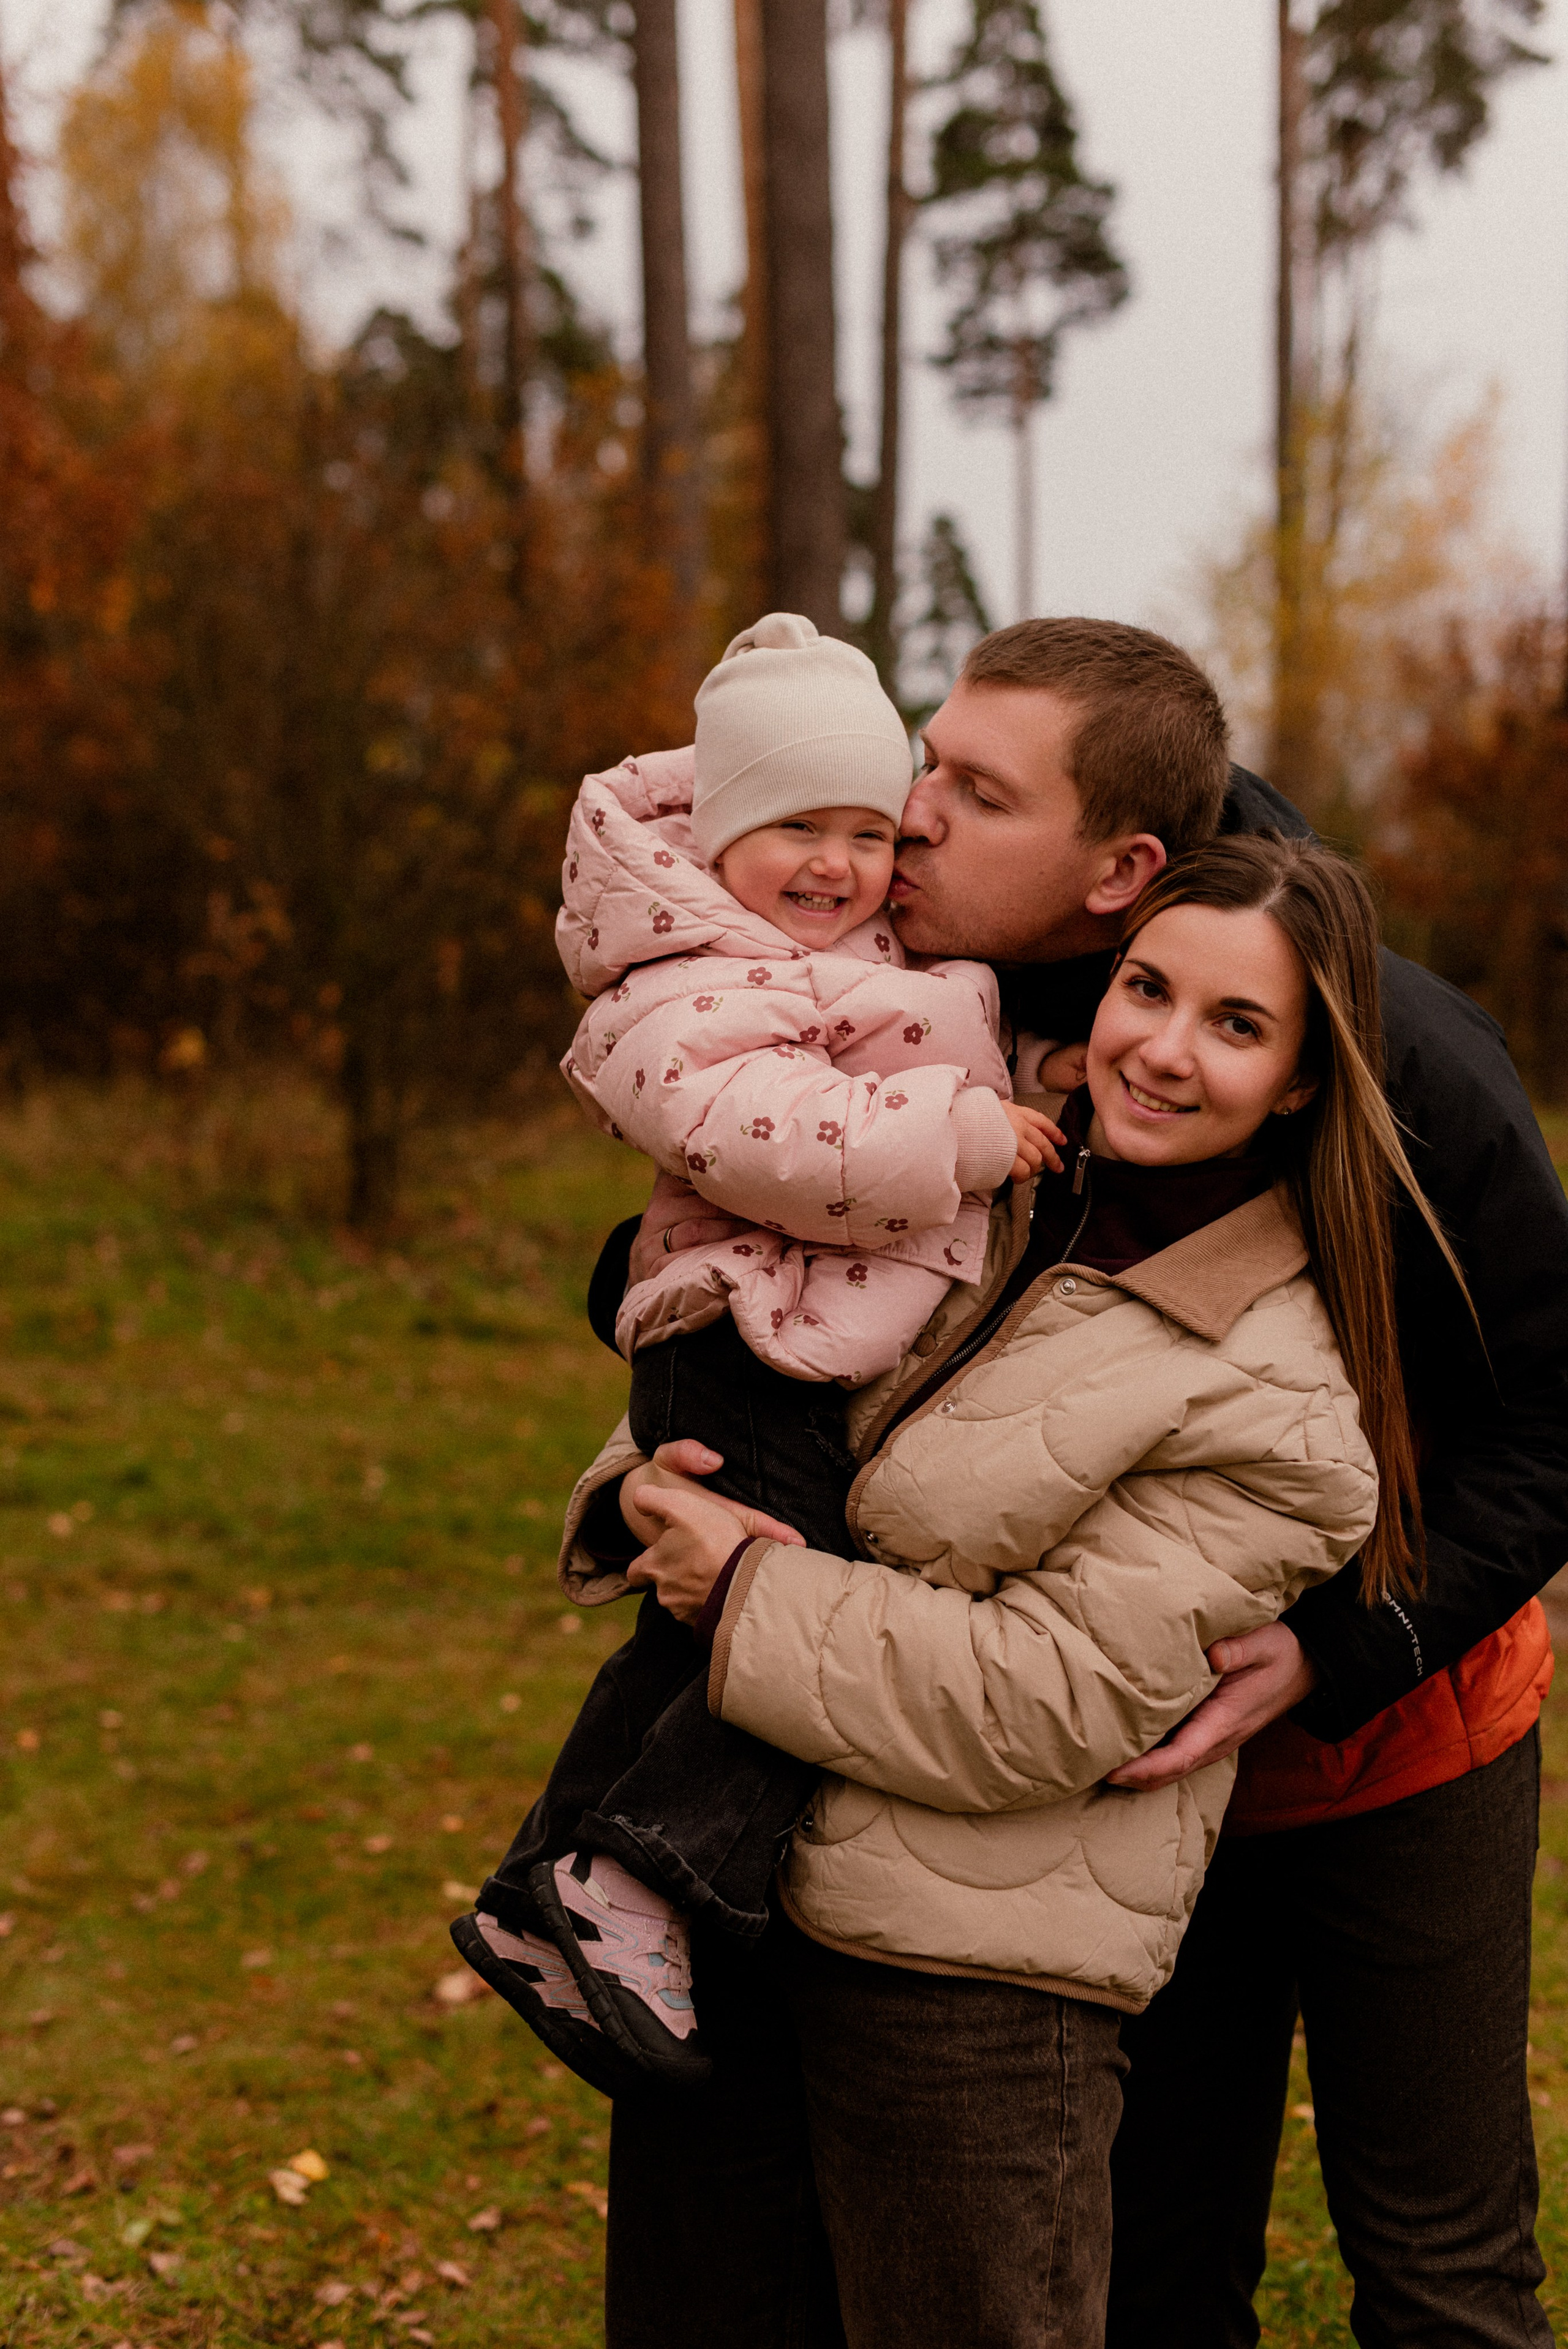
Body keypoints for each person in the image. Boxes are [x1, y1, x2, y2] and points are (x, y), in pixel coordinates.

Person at [586, 617, 1568, 2347]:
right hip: (1105, 1771)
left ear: (1119, 867)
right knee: (1161, 2256)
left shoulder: (1393, 1062)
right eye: (928, 757)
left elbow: (1558, 1414)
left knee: (1433, 2253)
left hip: (1393, 1721)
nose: (914, 812)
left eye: (974, 788)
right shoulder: (965, 977)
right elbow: (762, 1195)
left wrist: (1349, 1645)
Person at [450, 613, 1060, 2094]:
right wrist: (963, 1144)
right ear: (719, 830)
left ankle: (547, 1886)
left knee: (688, 1629)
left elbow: (920, 1035)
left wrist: (1038, 1078)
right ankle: (645, 1876)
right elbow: (766, 1136)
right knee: (797, 1603)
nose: (837, 863)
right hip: (743, 1327)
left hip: (785, 1317)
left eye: (867, 829)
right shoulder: (677, 979)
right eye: (796, 823)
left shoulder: (822, 946)